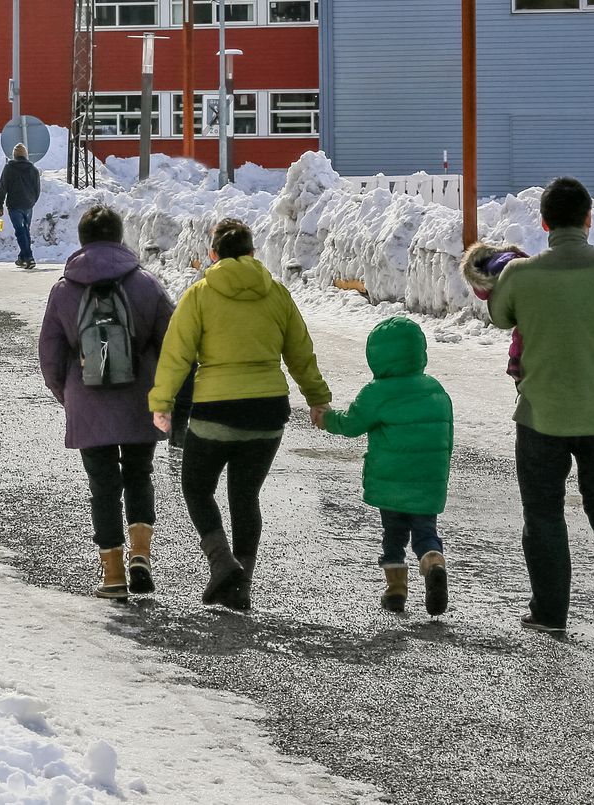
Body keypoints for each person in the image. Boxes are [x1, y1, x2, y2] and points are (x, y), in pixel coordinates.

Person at [487, 176, 594, 633]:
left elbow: (499, 315)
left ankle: (549, 612)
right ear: (589, 220)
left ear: (544, 224)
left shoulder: (520, 275)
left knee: (543, 511)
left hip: (542, 414)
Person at [148, 218, 331, 611]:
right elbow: (300, 353)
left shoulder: (199, 294)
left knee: (197, 488)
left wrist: (161, 403)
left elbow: (176, 355)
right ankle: (240, 582)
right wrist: (318, 398)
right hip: (268, 413)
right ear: (252, 253)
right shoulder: (277, 294)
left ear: (213, 254)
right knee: (245, 497)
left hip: (216, 409)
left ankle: (222, 564)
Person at [38, 206, 175, 599]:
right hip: (139, 398)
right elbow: (173, 342)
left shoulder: (64, 290)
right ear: (119, 237)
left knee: (102, 487)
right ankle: (142, 554)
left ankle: (113, 574)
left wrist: (67, 394)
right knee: (138, 474)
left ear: (81, 241)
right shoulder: (146, 284)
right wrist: (165, 391)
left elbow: (49, 353)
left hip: (87, 403)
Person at [315, 317, 454, 616]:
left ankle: (396, 591)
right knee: (426, 533)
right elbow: (447, 438)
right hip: (428, 481)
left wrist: (325, 418)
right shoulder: (436, 390)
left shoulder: (377, 392)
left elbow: (352, 423)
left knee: (393, 536)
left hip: (391, 483)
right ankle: (433, 562)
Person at [465, 243, 594, 402]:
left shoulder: (506, 278)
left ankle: (528, 393)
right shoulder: (523, 264)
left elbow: (502, 319)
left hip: (533, 355)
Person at [0, 142, 43, 269]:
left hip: (14, 205)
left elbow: (2, 188)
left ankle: (29, 257)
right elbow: (37, 189)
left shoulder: (8, 168)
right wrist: (32, 201)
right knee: (25, 230)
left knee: (20, 231)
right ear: (26, 155)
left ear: (14, 155)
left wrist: (0, 205)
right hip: (28, 205)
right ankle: (22, 258)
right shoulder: (33, 169)